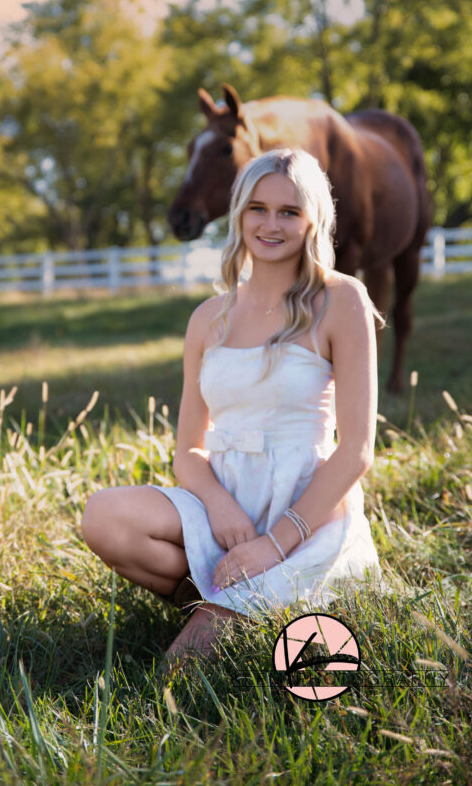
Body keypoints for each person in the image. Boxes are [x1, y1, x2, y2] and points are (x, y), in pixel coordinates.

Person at [81, 148, 383, 660]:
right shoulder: (208, 318)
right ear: (238, 213)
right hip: (226, 501)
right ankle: (215, 593)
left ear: (313, 220)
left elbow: (356, 449)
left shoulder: (341, 300)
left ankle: (242, 602)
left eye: (289, 212)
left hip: (305, 507)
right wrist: (220, 508)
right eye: (257, 209)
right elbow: (187, 451)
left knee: (178, 672)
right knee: (103, 515)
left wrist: (275, 542)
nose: (270, 224)